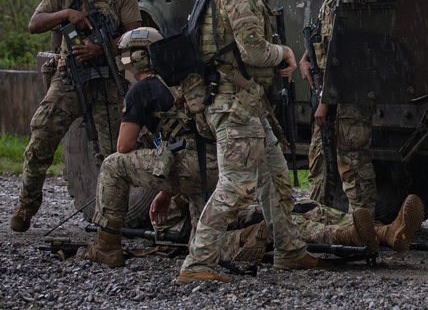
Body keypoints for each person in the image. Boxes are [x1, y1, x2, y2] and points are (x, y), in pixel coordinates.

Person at [79, 26, 376, 268]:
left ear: (135, 58)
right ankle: (263, 235)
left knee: (111, 165)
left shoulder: (141, 90)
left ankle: (106, 246)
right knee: (204, 237)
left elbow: (124, 145)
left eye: (126, 57)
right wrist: (167, 191)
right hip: (213, 164)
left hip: (185, 166)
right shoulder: (185, 85)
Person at [176, 0, 332, 284]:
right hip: (236, 107)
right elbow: (255, 51)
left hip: (241, 103)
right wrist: (285, 52)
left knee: (275, 176)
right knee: (237, 185)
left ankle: (289, 250)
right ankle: (198, 261)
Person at [299, 0, 425, 251]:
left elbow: (344, 60)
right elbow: (326, 48)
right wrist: (307, 58)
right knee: (320, 165)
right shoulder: (331, 1)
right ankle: (328, 225)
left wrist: (325, 104)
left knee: (353, 166)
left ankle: (363, 227)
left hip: (347, 101)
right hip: (329, 96)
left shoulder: (347, 3)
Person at [11, 0, 141, 233]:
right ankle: (26, 205)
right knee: (40, 137)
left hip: (108, 79)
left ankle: (110, 224)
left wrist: (102, 46)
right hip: (70, 77)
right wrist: (66, 14)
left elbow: (136, 33)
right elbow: (34, 23)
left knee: (113, 155)